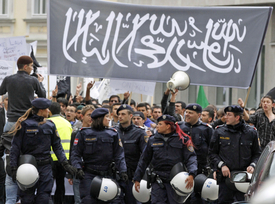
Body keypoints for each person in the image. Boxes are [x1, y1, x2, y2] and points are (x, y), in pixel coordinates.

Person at [9, 98, 76, 204]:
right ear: (41, 110)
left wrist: (65, 164)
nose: (48, 111)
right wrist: (13, 167)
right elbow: (15, 148)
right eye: (47, 109)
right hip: (28, 166)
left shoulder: (50, 125)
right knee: (27, 198)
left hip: (45, 166)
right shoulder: (24, 125)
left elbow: (57, 147)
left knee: (44, 198)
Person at [0, 55, 46, 204]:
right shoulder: (33, 80)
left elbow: (1, 91)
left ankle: (11, 200)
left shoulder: (8, 79)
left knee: (10, 162)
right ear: (25, 66)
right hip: (28, 124)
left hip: (11, 124)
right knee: (30, 161)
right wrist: (39, 83)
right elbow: (43, 96)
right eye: (31, 66)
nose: (32, 69)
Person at [133, 115, 197, 204]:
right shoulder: (153, 140)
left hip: (176, 180)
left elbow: (191, 158)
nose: (157, 126)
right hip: (158, 179)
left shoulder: (182, 139)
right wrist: (137, 178)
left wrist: (192, 174)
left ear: (168, 126)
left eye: (160, 124)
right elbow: (144, 160)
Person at [71, 108, 127, 203]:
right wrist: (78, 168)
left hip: (107, 174)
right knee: (88, 200)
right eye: (107, 117)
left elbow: (119, 155)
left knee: (110, 200)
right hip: (89, 174)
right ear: (99, 119)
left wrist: (123, 171)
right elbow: (75, 154)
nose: (109, 119)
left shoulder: (113, 134)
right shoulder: (83, 133)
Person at [209, 105, 261, 204]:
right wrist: (221, 165)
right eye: (225, 114)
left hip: (244, 179)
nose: (225, 117)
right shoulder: (219, 131)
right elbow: (212, 153)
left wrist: (253, 165)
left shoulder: (251, 132)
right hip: (225, 178)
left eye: (229, 115)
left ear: (237, 117)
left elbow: (257, 154)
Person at [178, 103, 213, 203]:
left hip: (200, 171)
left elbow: (213, 150)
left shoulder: (206, 129)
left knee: (198, 199)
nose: (187, 115)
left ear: (198, 115)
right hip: (181, 170)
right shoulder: (179, 127)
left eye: (191, 113)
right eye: (186, 112)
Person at [116, 104, 148, 203]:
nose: (120, 116)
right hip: (116, 174)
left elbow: (145, 155)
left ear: (130, 116)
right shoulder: (113, 131)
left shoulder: (140, 133)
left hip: (132, 175)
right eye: (119, 114)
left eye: (123, 114)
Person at [49, 102, 73, 204]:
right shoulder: (67, 123)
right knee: (60, 185)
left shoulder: (47, 122)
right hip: (64, 160)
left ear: (49, 111)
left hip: (49, 159)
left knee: (48, 186)